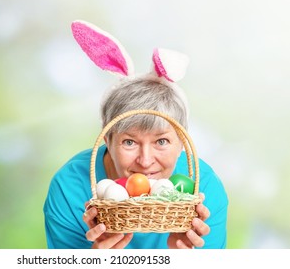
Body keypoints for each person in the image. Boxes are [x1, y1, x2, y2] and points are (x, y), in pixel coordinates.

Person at [43, 20, 228, 249]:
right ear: (108, 140)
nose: (146, 160)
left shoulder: (204, 190)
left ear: (182, 142)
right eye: (129, 142)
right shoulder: (69, 189)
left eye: (161, 141)